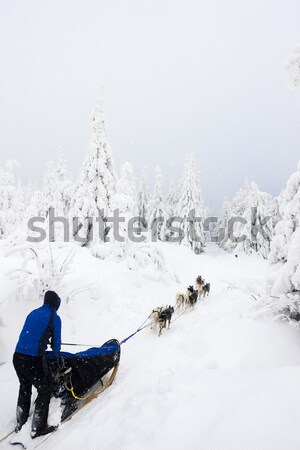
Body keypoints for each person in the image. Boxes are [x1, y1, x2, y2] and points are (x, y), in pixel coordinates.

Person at [13, 290, 62, 438]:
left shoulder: (33, 313)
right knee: (45, 389)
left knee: (25, 386)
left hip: (17, 357)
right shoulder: (55, 317)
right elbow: (56, 346)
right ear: (56, 304)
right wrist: (57, 356)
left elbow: (31, 333)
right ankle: (38, 427)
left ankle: (20, 421)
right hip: (33, 359)